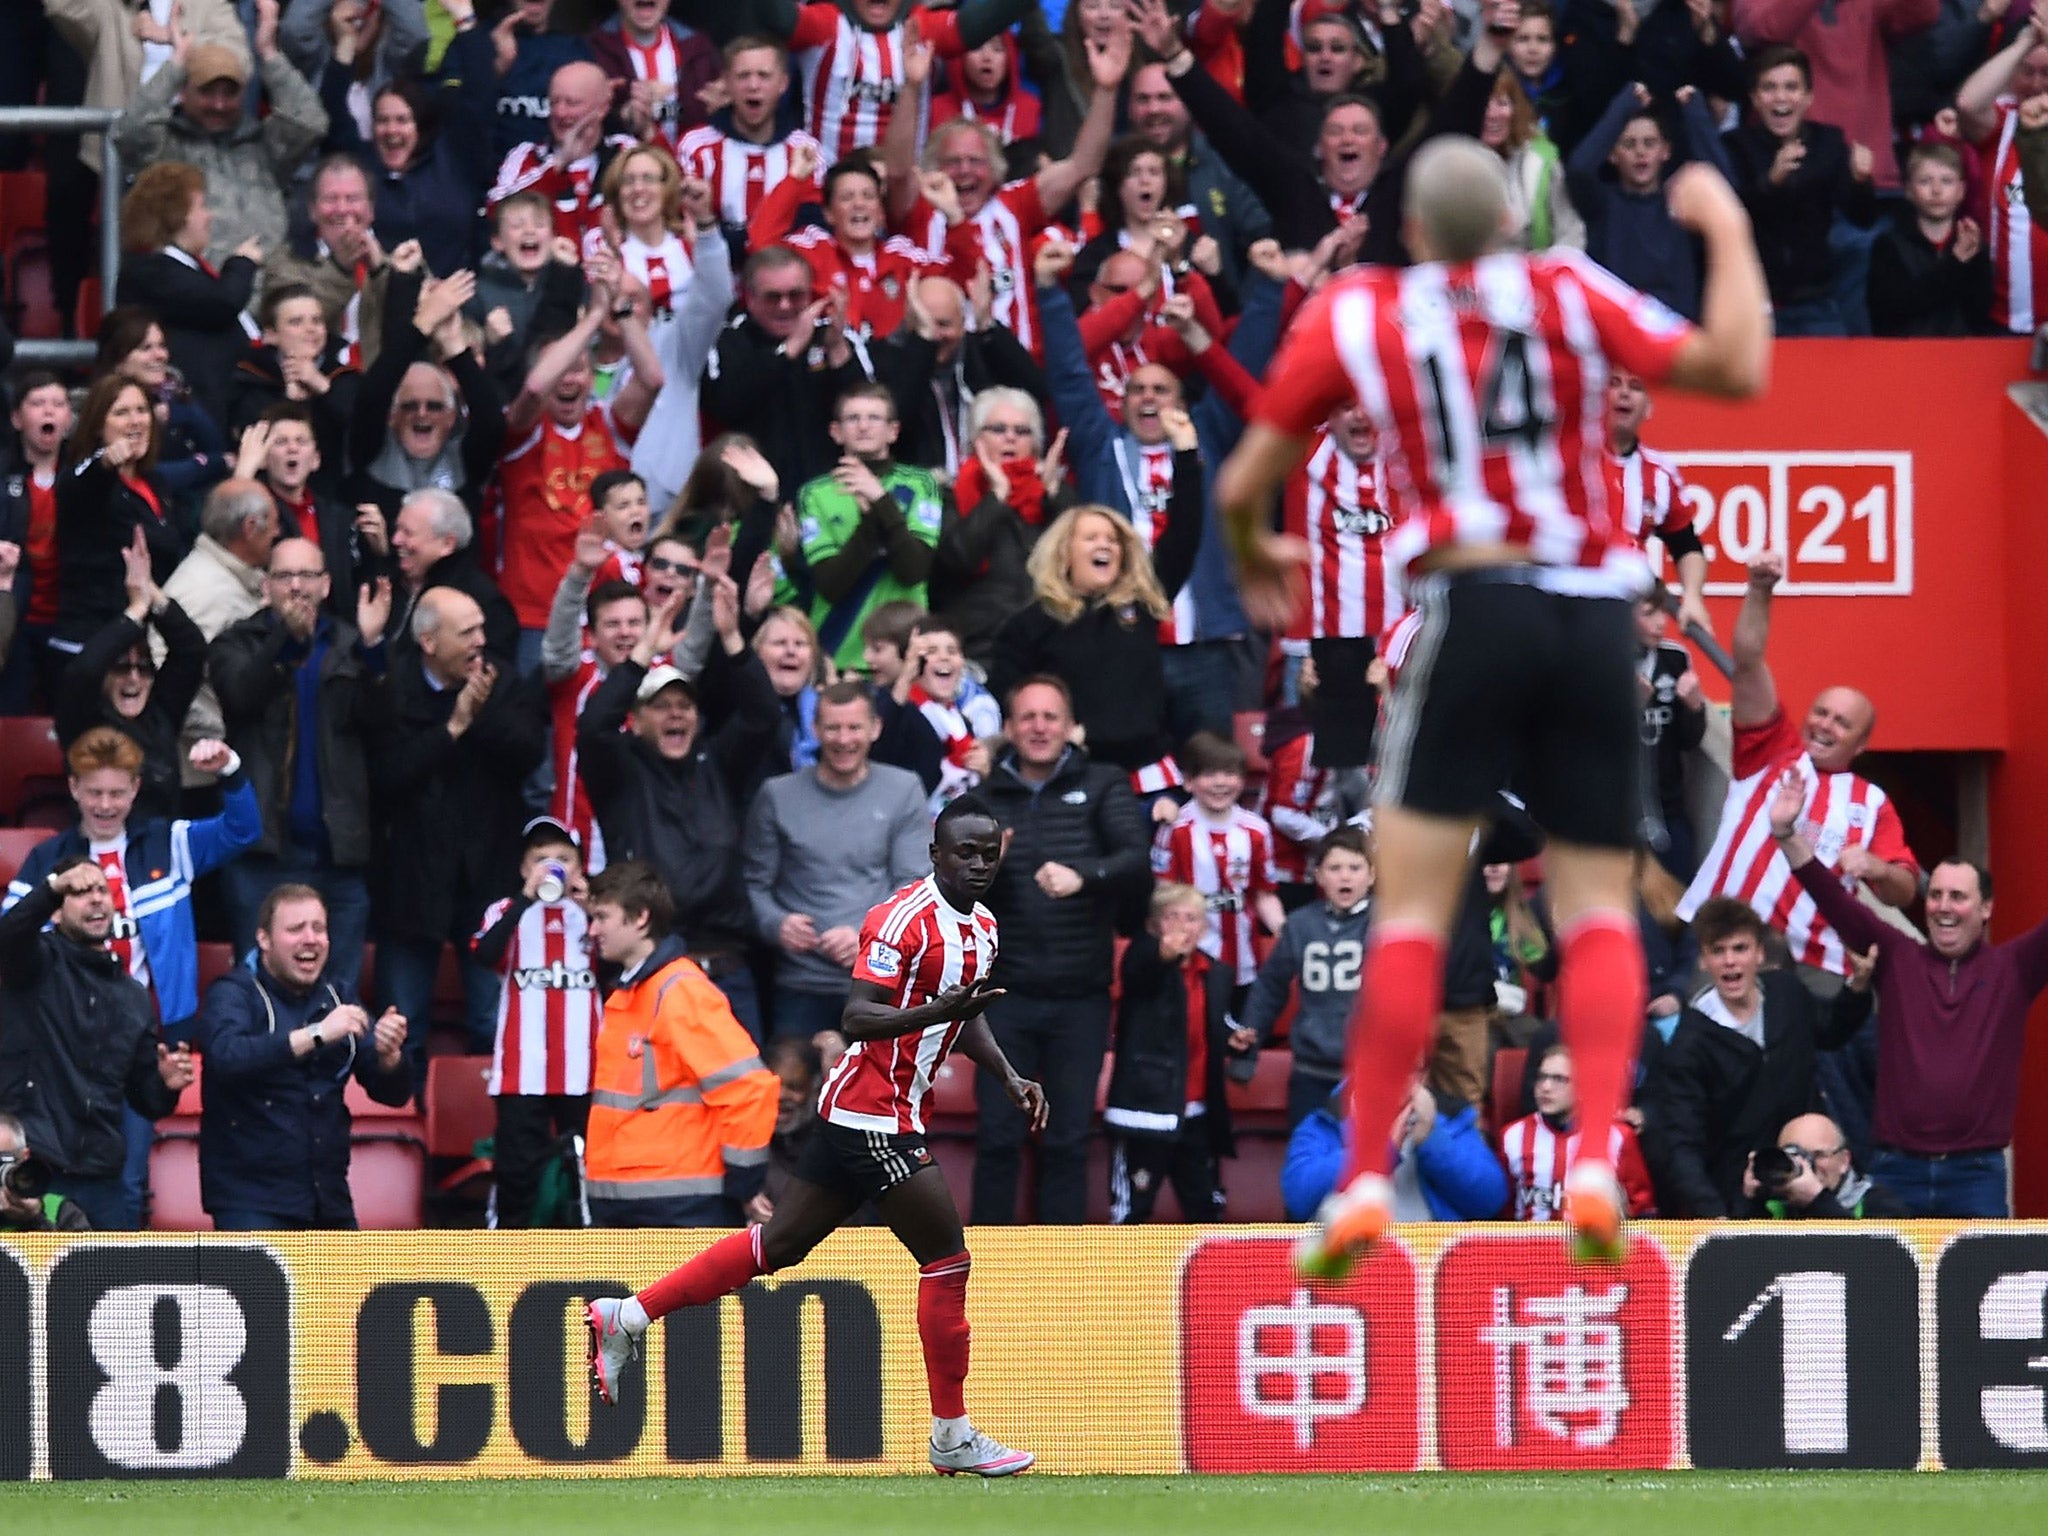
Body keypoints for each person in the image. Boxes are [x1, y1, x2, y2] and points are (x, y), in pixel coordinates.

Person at [1218, 137, 1770, 1271]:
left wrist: (1251, 544)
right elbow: (1732, 365)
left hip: (1468, 607)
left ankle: (1367, 1173)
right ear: (1515, 224)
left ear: (1410, 233)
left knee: (1412, 910)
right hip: (1589, 617)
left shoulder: (1364, 311)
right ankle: (1586, 1170)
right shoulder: (1567, 289)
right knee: (1596, 908)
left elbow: (1240, 480)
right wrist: (1720, 222)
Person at [584, 798, 1047, 1478]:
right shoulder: (898, 920)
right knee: (947, 1260)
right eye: (964, 853)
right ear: (935, 854)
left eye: (988, 853)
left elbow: (964, 1013)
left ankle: (627, 1315)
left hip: (870, 1110)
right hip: (873, 1114)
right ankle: (952, 1435)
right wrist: (935, 1013)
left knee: (777, 1245)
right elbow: (858, 1017)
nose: (978, 864)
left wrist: (1007, 1073)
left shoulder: (982, 927)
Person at [1767, 778, 2048, 1218]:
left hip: (1977, 1175)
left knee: (1977, 1286)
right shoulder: (1898, 958)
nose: (1943, 906)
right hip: (1897, 1171)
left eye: (1958, 896)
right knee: (1888, 1289)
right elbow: (1835, 901)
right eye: (1935, 894)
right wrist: (1787, 835)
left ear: (1986, 908)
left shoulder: (2013, 968)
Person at [1677, 552, 1921, 974]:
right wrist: (1758, 589)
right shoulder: (1772, 750)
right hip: (1717, 945)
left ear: (1861, 745)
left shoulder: (1872, 802)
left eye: (1841, 723)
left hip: (1812, 965)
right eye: (1821, 712)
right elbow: (1749, 662)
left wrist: (1877, 867)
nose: (1825, 725)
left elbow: (1903, 892)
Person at [970, 675, 1150, 1224]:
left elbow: (1136, 858)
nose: (1039, 727)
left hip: (1081, 997)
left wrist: (1084, 876)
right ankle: (984, 1279)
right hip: (1003, 999)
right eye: (1028, 717)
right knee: (998, 1140)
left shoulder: (1103, 782)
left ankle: (1060, 1287)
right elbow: (948, 892)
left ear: (1071, 726)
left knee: (1068, 1141)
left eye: (1050, 716)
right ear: (1008, 728)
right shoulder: (981, 798)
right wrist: (986, 868)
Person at [577, 576, 780, 1033]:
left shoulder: (718, 762)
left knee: (739, 1092)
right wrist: (646, 645)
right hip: (652, 966)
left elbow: (763, 716)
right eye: (661, 706)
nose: (675, 714)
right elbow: (592, 727)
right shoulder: (619, 771)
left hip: (727, 968)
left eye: (684, 705)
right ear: (637, 719)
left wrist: (733, 640)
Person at [370, 587, 547, 1070]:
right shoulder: (393, 687)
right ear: (428, 641)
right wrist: (452, 728)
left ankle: (490, 1139)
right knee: (400, 1032)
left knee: (495, 1027)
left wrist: (481, 712)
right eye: (466, 632)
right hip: (411, 886)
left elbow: (528, 751)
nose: (480, 641)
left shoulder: (502, 681)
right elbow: (386, 778)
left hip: (486, 884)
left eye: (481, 629)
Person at [208, 536, 391, 989]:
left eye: (307, 575)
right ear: (266, 586)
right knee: (257, 991)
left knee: (339, 994)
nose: (296, 587)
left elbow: (383, 724)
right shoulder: (239, 642)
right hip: (263, 853)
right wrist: (284, 643)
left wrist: (372, 648)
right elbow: (240, 695)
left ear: (326, 585)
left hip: (338, 852)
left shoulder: (352, 644)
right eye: (284, 576)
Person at [190, 883, 410, 1228]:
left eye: (319, 929)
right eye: (296, 929)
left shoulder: (338, 996)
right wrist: (316, 1035)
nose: (310, 939)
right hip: (252, 1199)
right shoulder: (233, 992)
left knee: (344, 1285)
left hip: (327, 1195)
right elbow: (226, 1057)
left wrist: (389, 1054)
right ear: (264, 939)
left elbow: (394, 1094)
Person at [580, 859, 780, 1226]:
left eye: (602, 917)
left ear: (640, 918)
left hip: (676, 1205)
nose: (592, 930)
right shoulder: (636, 991)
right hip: (635, 1200)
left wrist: (744, 1185)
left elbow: (749, 1089)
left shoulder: (679, 991)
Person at [1643, 896, 1869, 1217]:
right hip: (1741, 1203)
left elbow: (1831, 1028)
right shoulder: (1688, 1046)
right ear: (1703, 961)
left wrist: (1857, 986)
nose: (1730, 961)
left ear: (1759, 953)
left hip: (1809, 1187)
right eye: (1718, 951)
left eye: (1739, 948)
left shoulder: (1787, 994)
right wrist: (1713, 1216)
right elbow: (1682, 1145)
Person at [0, 857, 193, 1231]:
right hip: (33, 1169)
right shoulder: (34, 963)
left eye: (102, 891)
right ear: (55, 913)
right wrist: (52, 885)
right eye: (79, 891)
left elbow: (145, 1100)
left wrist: (165, 1086)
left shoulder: (134, 997)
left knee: (100, 1286)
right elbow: (8, 937)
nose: (95, 899)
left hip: (101, 1180)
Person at [744, 680, 932, 1043]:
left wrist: (864, 934)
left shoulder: (903, 789)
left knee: (876, 1095)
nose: (844, 740)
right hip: (800, 981)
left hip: (879, 977)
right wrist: (776, 923)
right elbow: (754, 883)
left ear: (875, 729)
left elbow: (913, 887)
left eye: (854, 727)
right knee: (790, 1089)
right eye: (833, 727)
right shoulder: (777, 795)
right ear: (815, 730)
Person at [110, 1, 330, 266]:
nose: (219, 104)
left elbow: (311, 122)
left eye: (230, 93)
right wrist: (177, 64)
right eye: (207, 91)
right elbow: (129, 131)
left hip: (268, 292)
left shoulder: (264, 146)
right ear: (184, 92)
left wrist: (269, 54)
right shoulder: (165, 148)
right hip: (194, 290)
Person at [471, 817, 600, 1229]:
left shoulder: (597, 913)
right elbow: (484, 954)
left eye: (564, 858)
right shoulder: (506, 910)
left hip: (587, 1070)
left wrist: (589, 905)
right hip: (521, 1072)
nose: (552, 866)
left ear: (580, 866)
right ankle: (511, 1264)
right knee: (517, 1178)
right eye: (541, 858)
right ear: (524, 868)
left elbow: (621, 971)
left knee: (590, 1178)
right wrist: (526, 898)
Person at [56, 532, 209, 825]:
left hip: (159, 853)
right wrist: (136, 609)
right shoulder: (81, 717)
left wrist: (152, 593)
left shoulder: (161, 712)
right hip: (95, 853)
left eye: (144, 668)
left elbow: (191, 650)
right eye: (121, 668)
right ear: (105, 675)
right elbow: (84, 671)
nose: (134, 679)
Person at [1105, 882, 1233, 1222]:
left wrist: (1236, 1037)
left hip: (1198, 1114)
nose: (1181, 926)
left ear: (1204, 927)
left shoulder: (1215, 972)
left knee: (1206, 1210)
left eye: (1191, 918)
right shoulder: (1141, 958)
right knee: (1132, 1210)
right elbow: (1138, 971)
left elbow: (1216, 1023)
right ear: (1153, 925)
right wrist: (1163, 953)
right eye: (1171, 917)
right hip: (1146, 1111)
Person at [796, 384, 946, 674]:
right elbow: (831, 585)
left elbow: (913, 569)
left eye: (874, 418)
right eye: (853, 418)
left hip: (905, 655)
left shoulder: (921, 484)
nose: (863, 426)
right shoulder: (814, 493)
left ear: (893, 431)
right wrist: (873, 520)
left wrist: (879, 499)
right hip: (837, 653)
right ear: (836, 432)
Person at [1239, 827, 1376, 1131]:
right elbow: (1270, 987)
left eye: (1355, 868)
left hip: (1370, 1072)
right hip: (1311, 1072)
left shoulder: (1386, 924)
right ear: (1319, 875)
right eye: (1335, 868)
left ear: (1372, 875)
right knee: (1308, 1163)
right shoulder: (1300, 925)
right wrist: (1247, 1048)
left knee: (1368, 1169)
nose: (1345, 877)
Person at [112, 161, 264, 428]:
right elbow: (222, 302)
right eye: (202, 206)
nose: (210, 216)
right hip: (193, 417)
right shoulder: (150, 270)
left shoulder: (181, 267)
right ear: (177, 215)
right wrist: (241, 263)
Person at [925, 388, 1071, 665]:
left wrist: (1053, 494)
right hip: (979, 647)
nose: (1011, 437)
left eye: (1022, 430)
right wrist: (996, 496)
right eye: (998, 429)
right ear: (976, 439)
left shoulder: (1055, 496)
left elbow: (1077, 563)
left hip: (1048, 644)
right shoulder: (949, 494)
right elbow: (958, 559)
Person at [1567, 84, 1735, 322]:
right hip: (1619, 331)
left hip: (1676, 333)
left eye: (1649, 143)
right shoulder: (1601, 203)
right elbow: (1579, 169)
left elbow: (1723, 187)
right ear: (1612, 154)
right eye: (1628, 144)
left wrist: (1696, 115)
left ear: (1665, 151)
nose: (1640, 152)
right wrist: (1622, 107)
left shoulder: (1682, 202)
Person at [55, 374, 187, 653]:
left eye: (141, 410)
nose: (136, 421)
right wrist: (104, 461)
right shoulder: (86, 480)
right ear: (97, 425)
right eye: (121, 413)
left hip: (141, 639)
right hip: (89, 639)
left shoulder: (155, 482)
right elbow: (80, 482)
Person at [1153, 731, 1286, 1000]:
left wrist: (1285, 932)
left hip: (1244, 962)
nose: (1220, 783)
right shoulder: (1176, 829)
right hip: (1191, 959)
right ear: (1188, 781)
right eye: (1209, 774)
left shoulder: (1257, 830)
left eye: (1229, 774)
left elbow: (1264, 895)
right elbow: (1162, 893)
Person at [1282, 1075, 1509, 1223]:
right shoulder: (1328, 1117)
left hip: (1427, 1262)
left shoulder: (1449, 1116)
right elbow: (1298, 1199)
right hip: (1350, 1266)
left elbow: (1489, 1200)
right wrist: (1379, 1151)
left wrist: (1432, 1139)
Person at [486, 60, 638, 249]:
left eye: (571, 103)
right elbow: (496, 215)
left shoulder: (627, 152)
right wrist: (558, 164)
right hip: (545, 275)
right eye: (554, 102)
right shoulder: (525, 156)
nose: (560, 112)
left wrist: (650, 133)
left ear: (602, 108)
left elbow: (670, 201)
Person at [258, 156, 389, 374]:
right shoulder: (287, 262)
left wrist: (381, 271)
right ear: (312, 210)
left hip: (383, 388)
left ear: (371, 209)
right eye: (331, 199)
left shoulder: (399, 259)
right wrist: (341, 269)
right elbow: (292, 326)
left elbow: (418, 322)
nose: (342, 209)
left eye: (353, 198)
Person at [1500, 1042, 1655, 1222]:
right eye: (1542, 1077)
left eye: (1559, 1079)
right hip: (1528, 1247)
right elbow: (1502, 1209)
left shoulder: (1618, 1137)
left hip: (1594, 1249)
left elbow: (1642, 1211)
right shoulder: (1512, 1136)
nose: (1546, 1087)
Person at [1868, 138, 1992, 338]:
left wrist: (1972, 261)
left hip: (1964, 356)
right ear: (1908, 190)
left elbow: (1980, 313)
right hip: (1906, 358)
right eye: (1925, 181)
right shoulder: (1889, 245)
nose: (1936, 190)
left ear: (1961, 190)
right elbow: (1892, 309)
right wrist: (1955, 264)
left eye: (1946, 181)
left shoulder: (1974, 246)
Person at [1744, 1109, 1908, 1219]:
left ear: (1844, 1160)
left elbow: (1871, 1261)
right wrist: (1751, 1202)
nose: (1807, 1166)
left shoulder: (1879, 1204)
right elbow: (1742, 1263)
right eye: (1793, 1156)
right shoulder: (1772, 1206)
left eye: (1818, 1155)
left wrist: (1816, 1200)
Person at [0, 1112, 92, 1233]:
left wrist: (35, 1219)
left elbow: (81, 1252)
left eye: (2, 1160)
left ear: (24, 1157)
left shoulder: (57, 1210)